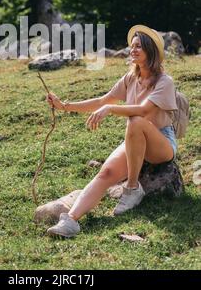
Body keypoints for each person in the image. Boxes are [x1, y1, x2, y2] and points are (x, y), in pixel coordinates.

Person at [45, 25, 178, 238]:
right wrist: (64, 106)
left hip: (161, 143)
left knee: (135, 120)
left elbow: (143, 110)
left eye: (139, 47)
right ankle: (70, 221)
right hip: (135, 141)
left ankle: (132, 188)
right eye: (132, 46)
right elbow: (101, 100)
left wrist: (110, 109)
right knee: (105, 173)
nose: (133, 50)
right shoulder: (130, 78)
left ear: (151, 51)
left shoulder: (164, 81)